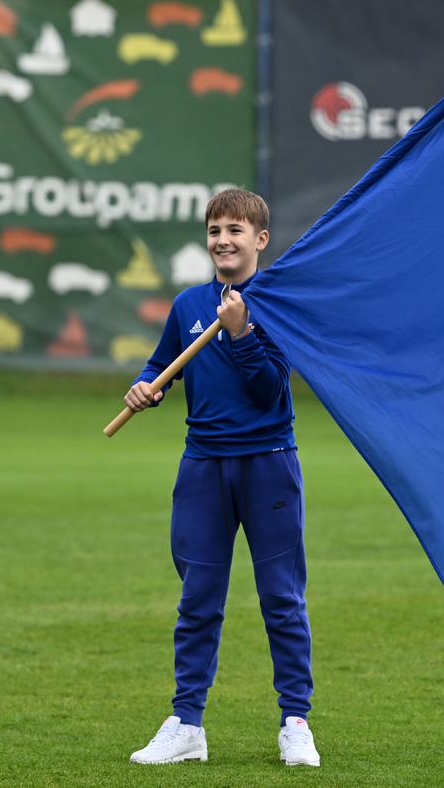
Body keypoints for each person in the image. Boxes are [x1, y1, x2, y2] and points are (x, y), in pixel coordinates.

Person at [122, 188, 320, 768]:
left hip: (269, 466)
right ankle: (187, 724)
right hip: (203, 467)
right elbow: (162, 363)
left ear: (260, 240)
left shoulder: (277, 305)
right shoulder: (188, 305)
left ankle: (295, 722)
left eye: (235, 230)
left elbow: (269, 391)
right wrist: (146, 384)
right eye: (214, 231)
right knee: (198, 600)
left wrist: (240, 332)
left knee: (282, 599)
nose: (223, 241)